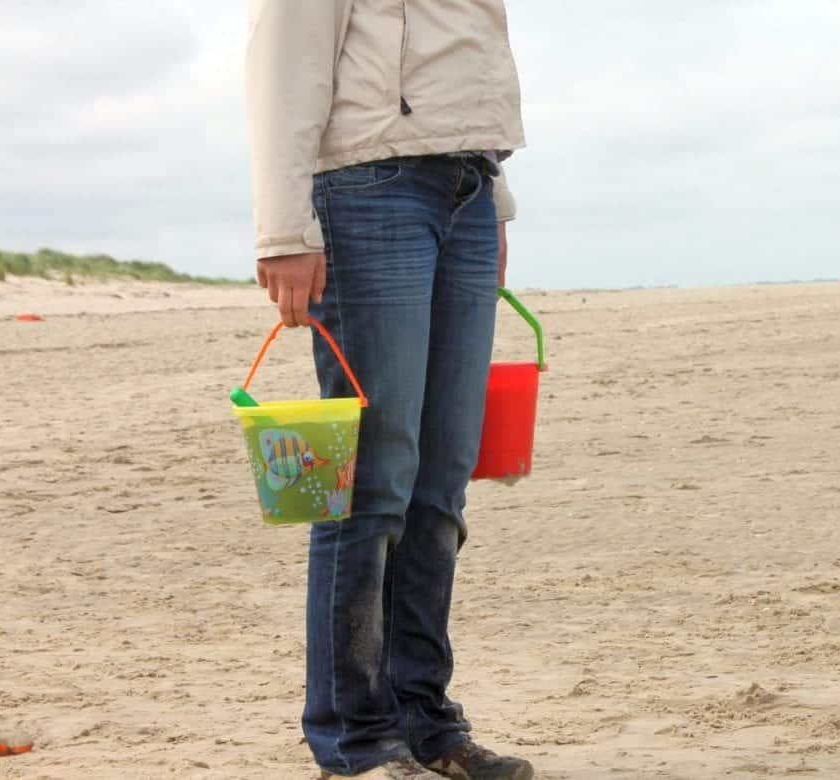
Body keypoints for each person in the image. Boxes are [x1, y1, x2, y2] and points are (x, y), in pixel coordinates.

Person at [244, 2, 531, 779]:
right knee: (372, 481)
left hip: (467, 186)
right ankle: (358, 739)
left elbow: (473, 55)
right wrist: (282, 230)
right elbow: (284, 60)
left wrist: (494, 204)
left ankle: (426, 721)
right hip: (370, 189)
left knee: (440, 484)